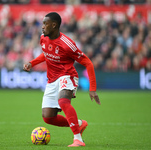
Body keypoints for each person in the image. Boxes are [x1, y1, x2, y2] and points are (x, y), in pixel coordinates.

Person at [23, 12, 101, 147]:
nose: (42, 27)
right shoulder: (43, 38)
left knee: (63, 101)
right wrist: (32, 63)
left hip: (67, 75)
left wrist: (92, 88)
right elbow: (47, 53)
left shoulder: (67, 44)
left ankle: (78, 139)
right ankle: (80, 124)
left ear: (54, 25)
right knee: (48, 117)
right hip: (52, 79)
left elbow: (88, 62)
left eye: (45, 24)